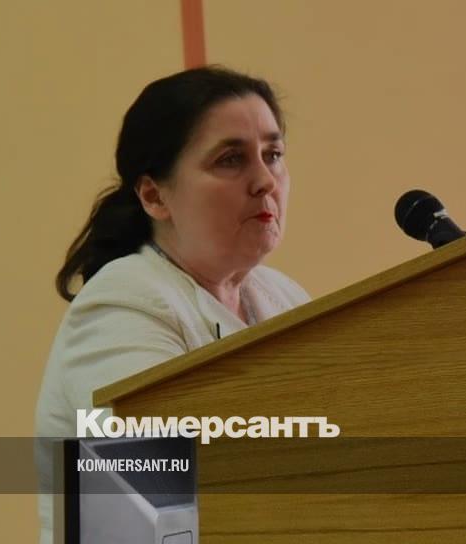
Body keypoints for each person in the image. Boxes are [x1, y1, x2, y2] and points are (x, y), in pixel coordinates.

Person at [33, 66, 310, 543]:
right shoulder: (122, 302)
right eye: (231, 159)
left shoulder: (284, 297)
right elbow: (160, 480)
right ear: (154, 196)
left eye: (274, 155)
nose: (265, 180)